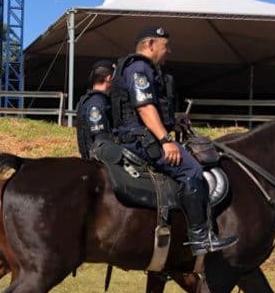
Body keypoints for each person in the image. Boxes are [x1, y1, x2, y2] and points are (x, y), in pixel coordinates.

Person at [111, 24, 237, 256]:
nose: (169, 51)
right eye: (165, 46)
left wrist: (174, 121)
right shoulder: (139, 68)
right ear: (150, 44)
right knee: (191, 170)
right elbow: (145, 107)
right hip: (140, 140)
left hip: (139, 135)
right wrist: (165, 140)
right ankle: (200, 237)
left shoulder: (139, 68)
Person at [75, 60, 115, 159]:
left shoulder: (97, 100)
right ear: (109, 78)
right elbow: (101, 142)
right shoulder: (96, 103)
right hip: (100, 163)